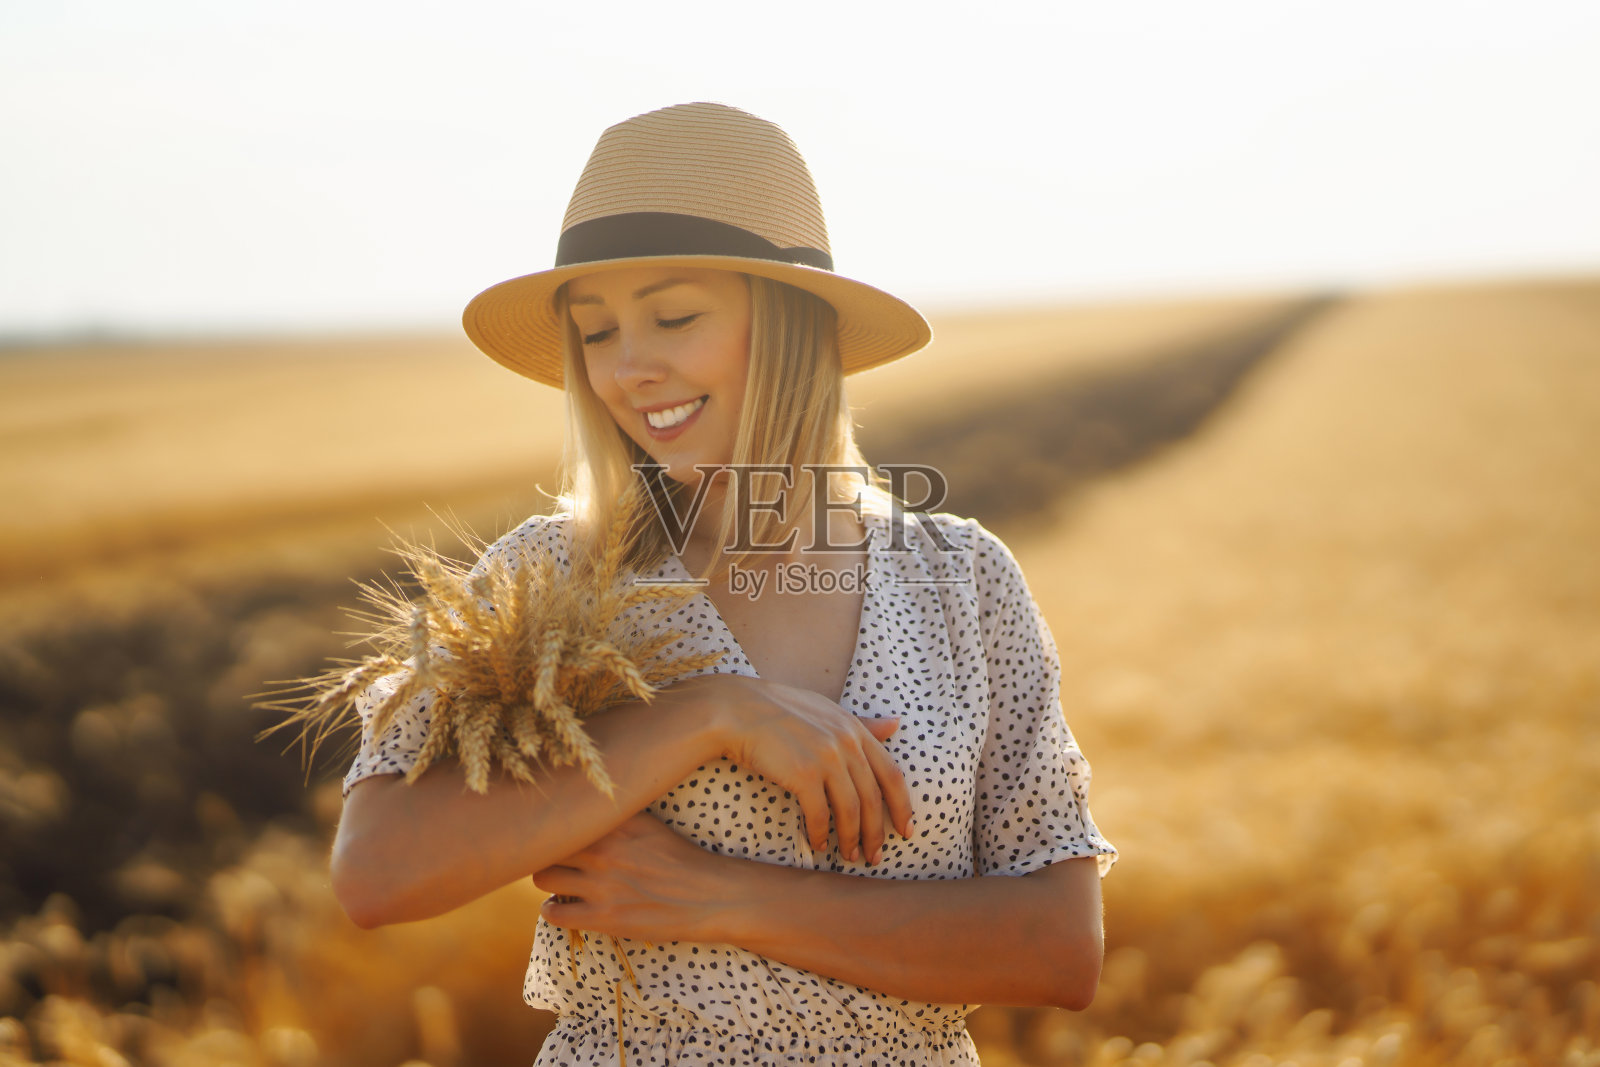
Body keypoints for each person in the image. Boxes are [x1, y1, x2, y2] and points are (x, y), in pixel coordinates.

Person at [330, 102, 1116, 1067]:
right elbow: (377, 874)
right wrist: (704, 715)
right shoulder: (553, 577)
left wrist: (725, 897)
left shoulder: (962, 582)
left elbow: (1059, 947)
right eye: (597, 330)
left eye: (673, 316)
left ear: (789, 323)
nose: (629, 368)